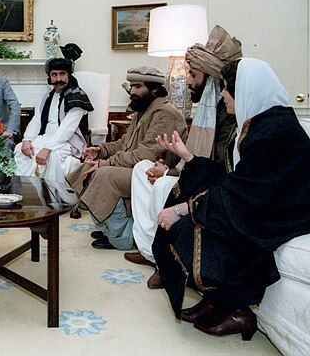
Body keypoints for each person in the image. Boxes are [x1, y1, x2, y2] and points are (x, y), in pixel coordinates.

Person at [152, 58, 310, 340]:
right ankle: (216, 300)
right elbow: (234, 178)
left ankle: (237, 310)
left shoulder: (276, 130)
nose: (222, 94)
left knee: (190, 228)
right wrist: (188, 157)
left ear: (245, 90)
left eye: (227, 88)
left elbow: (246, 191)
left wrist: (183, 209)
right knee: (192, 199)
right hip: (260, 204)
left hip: (282, 214)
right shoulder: (257, 122)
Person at [126, 25, 240, 288]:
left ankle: (164, 260)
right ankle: (149, 250)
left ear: (210, 77)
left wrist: (169, 173)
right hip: (193, 173)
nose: (188, 80)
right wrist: (166, 163)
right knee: (143, 168)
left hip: (213, 185)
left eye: (193, 74)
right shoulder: (208, 109)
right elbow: (189, 153)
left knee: (163, 183)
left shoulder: (228, 113)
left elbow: (218, 167)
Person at [67, 66, 187, 251]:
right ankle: (107, 228)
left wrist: (104, 163)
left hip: (153, 174)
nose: (132, 91)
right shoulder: (144, 110)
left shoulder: (164, 114)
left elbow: (145, 155)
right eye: (132, 86)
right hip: (135, 167)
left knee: (104, 174)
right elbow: (125, 143)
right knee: (86, 168)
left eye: (138, 86)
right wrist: (100, 150)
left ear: (154, 89)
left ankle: (122, 237)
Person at [14, 55, 93, 184]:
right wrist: (26, 140)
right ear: (50, 77)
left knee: (54, 156)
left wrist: (47, 149)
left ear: (69, 75)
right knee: (20, 149)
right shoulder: (48, 96)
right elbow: (38, 119)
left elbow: (67, 128)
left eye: (62, 74)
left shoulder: (77, 97)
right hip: (47, 138)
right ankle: (29, 191)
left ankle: (53, 196)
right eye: (54, 75)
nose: (58, 79)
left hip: (69, 142)